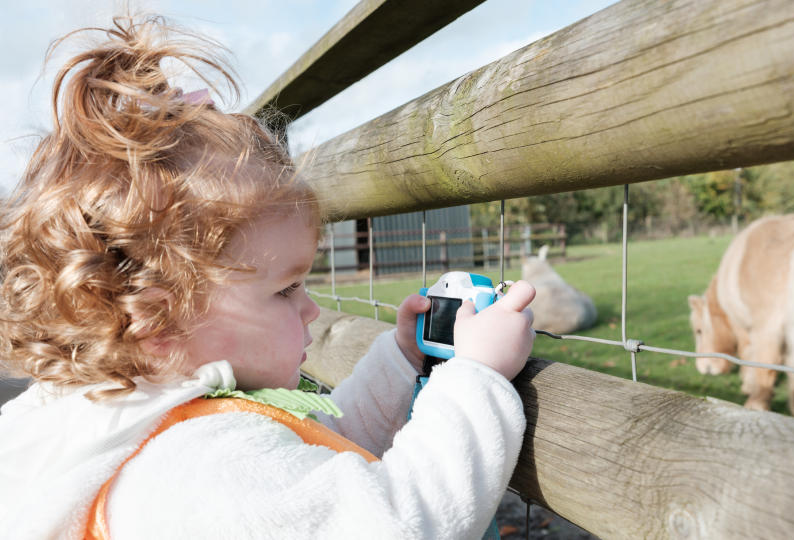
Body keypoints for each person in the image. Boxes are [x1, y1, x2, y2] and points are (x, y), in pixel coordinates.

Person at [0, 15, 535, 539]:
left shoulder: (143, 414)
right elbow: (401, 520)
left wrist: (398, 361)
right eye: (285, 289)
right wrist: (479, 377)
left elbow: (321, 464)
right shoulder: (204, 467)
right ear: (157, 320)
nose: (310, 310)